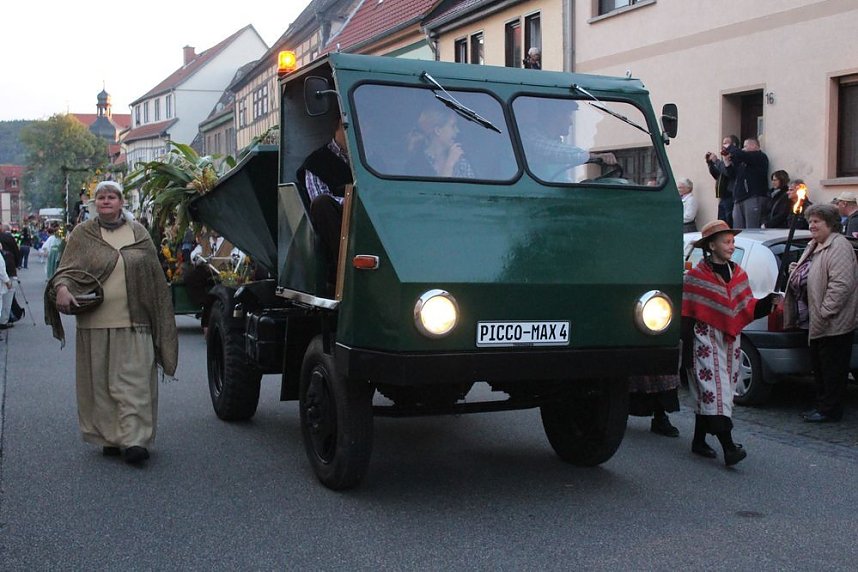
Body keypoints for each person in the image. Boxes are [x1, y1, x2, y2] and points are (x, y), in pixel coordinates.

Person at [45, 181, 178, 465]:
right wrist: (64, 289)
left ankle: (135, 439)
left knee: (135, 381)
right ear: (95, 204)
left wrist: (160, 317)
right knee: (102, 385)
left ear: (121, 202)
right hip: (95, 322)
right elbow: (66, 270)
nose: (106, 201)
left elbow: (155, 276)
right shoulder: (83, 234)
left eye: (112, 197)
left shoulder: (138, 233)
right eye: (101, 197)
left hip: (135, 321)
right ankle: (109, 436)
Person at [682, 220, 781, 466]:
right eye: (726, 241)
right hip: (703, 341)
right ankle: (729, 447)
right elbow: (686, 315)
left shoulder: (738, 274)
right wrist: (685, 352)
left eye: (732, 241)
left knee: (716, 393)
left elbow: (745, 309)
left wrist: (767, 303)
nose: (731, 245)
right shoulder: (695, 277)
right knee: (715, 393)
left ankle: (698, 440)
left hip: (730, 343)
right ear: (712, 245)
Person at [783, 204, 858, 423]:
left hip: (833, 322)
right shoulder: (816, 244)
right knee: (821, 367)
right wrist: (797, 269)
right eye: (810, 221)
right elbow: (816, 271)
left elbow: (841, 284)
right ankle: (823, 406)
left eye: (817, 221)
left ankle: (829, 410)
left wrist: (826, 311)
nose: (812, 225)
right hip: (818, 321)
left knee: (832, 369)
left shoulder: (839, 246)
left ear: (830, 224)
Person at [297, 113, 353, 292]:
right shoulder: (316, 163)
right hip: (337, 226)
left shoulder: (372, 160)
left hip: (366, 221)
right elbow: (318, 198)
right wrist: (353, 202)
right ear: (340, 125)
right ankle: (343, 270)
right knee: (322, 204)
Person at [407, 109, 476, 178]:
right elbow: (437, 188)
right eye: (453, 126)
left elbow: (473, 188)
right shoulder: (416, 163)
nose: (457, 131)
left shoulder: (460, 161)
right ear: (438, 130)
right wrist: (450, 164)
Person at [725, 137, 769, 229]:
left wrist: (730, 147)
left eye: (745, 146)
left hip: (753, 196)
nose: (743, 149)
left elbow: (742, 155)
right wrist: (727, 162)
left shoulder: (760, 156)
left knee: (752, 229)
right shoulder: (744, 161)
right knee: (738, 230)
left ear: (754, 146)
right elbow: (732, 175)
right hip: (739, 198)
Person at [705, 135, 739, 227]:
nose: (723, 145)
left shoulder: (735, 158)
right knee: (721, 223)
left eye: (726, 143)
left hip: (731, 196)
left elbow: (728, 172)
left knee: (728, 224)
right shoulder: (724, 160)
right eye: (723, 143)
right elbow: (718, 175)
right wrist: (710, 164)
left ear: (734, 145)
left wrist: (716, 161)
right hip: (723, 197)